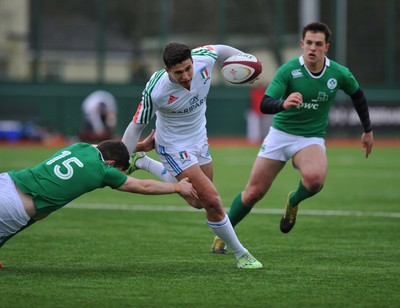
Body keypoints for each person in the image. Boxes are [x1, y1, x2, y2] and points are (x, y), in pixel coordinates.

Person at [212, 22, 374, 253]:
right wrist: (283, 103)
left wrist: (367, 130)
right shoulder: (288, 70)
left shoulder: (338, 73)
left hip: (310, 138)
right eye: (308, 43)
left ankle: (293, 201)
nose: (313, 48)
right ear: (302, 44)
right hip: (280, 136)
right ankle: (222, 235)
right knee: (253, 193)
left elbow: (358, 95)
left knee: (315, 180)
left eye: (318, 44)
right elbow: (266, 104)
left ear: (326, 47)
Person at [122, 43, 263, 269]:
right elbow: (135, 126)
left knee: (198, 202)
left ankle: (143, 162)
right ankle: (242, 255)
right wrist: (121, 159)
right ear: (168, 70)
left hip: (199, 138)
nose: (186, 76)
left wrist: (246, 62)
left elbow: (219, 49)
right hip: (173, 146)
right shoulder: (156, 90)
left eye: (188, 69)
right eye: (178, 72)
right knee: (213, 201)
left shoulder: (203, 59)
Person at [0, 140, 196, 250]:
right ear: (111, 164)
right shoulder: (103, 171)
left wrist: (135, 147)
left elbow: (103, 146)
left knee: (41, 213)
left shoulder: (80, 147)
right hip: (12, 206)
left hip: (8, 180)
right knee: (38, 211)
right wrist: (178, 188)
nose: (121, 175)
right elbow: (143, 186)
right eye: (121, 170)